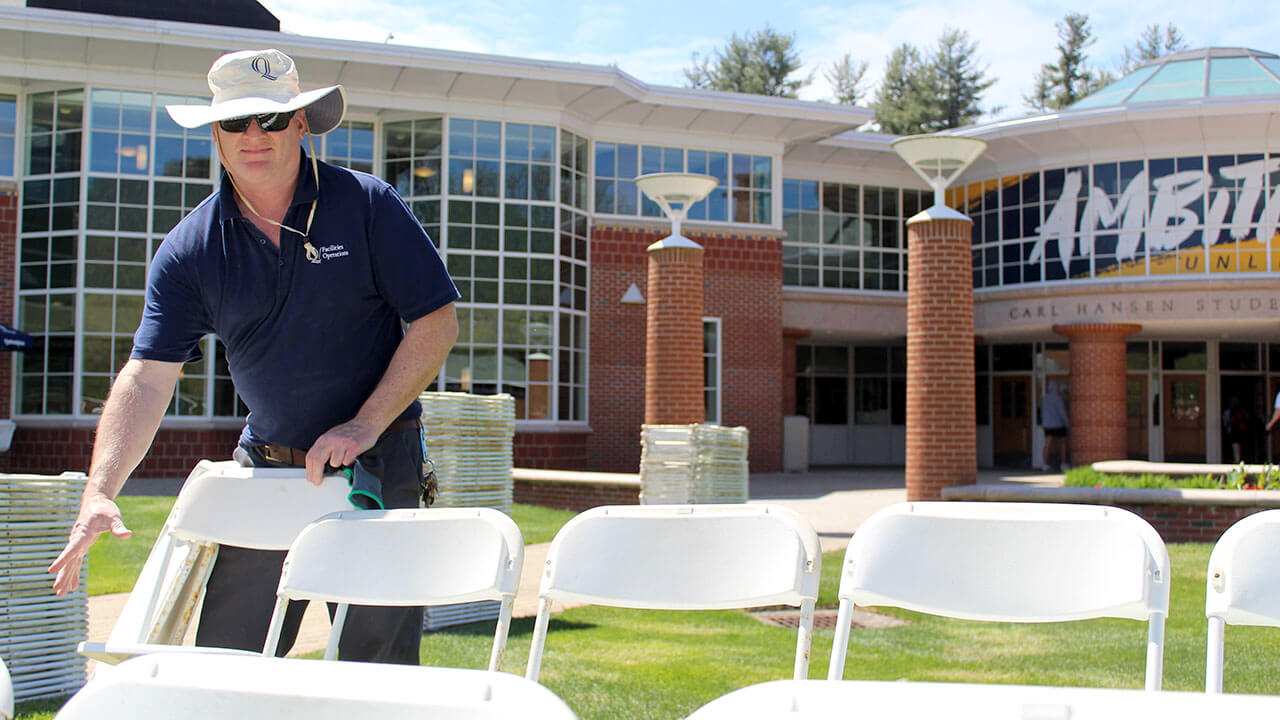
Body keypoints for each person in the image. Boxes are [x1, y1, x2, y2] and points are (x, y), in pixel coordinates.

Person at [47, 49, 459, 664]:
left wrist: (363, 423)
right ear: (216, 134)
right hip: (265, 471)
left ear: (300, 123)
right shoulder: (191, 249)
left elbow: (436, 322)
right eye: (236, 122)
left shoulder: (366, 204)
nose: (253, 135)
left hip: (380, 463)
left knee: (377, 672)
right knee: (230, 661)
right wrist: (100, 490)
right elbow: (148, 376)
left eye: (270, 117)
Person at [1039, 380, 1069, 472]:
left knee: (1047, 444)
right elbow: (1062, 413)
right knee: (1063, 443)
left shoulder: (1045, 399)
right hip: (1058, 424)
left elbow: (1042, 412)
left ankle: (1045, 464)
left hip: (1047, 425)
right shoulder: (1058, 399)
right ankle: (1063, 464)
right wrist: (1067, 423)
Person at [1223, 396, 1250, 464]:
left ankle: (1237, 461)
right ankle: (1239, 461)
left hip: (1234, 431)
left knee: (1235, 447)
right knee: (1240, 447)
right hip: (1241, 431)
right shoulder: (1243, 411)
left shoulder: (1228, 412)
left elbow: (1225, 423)